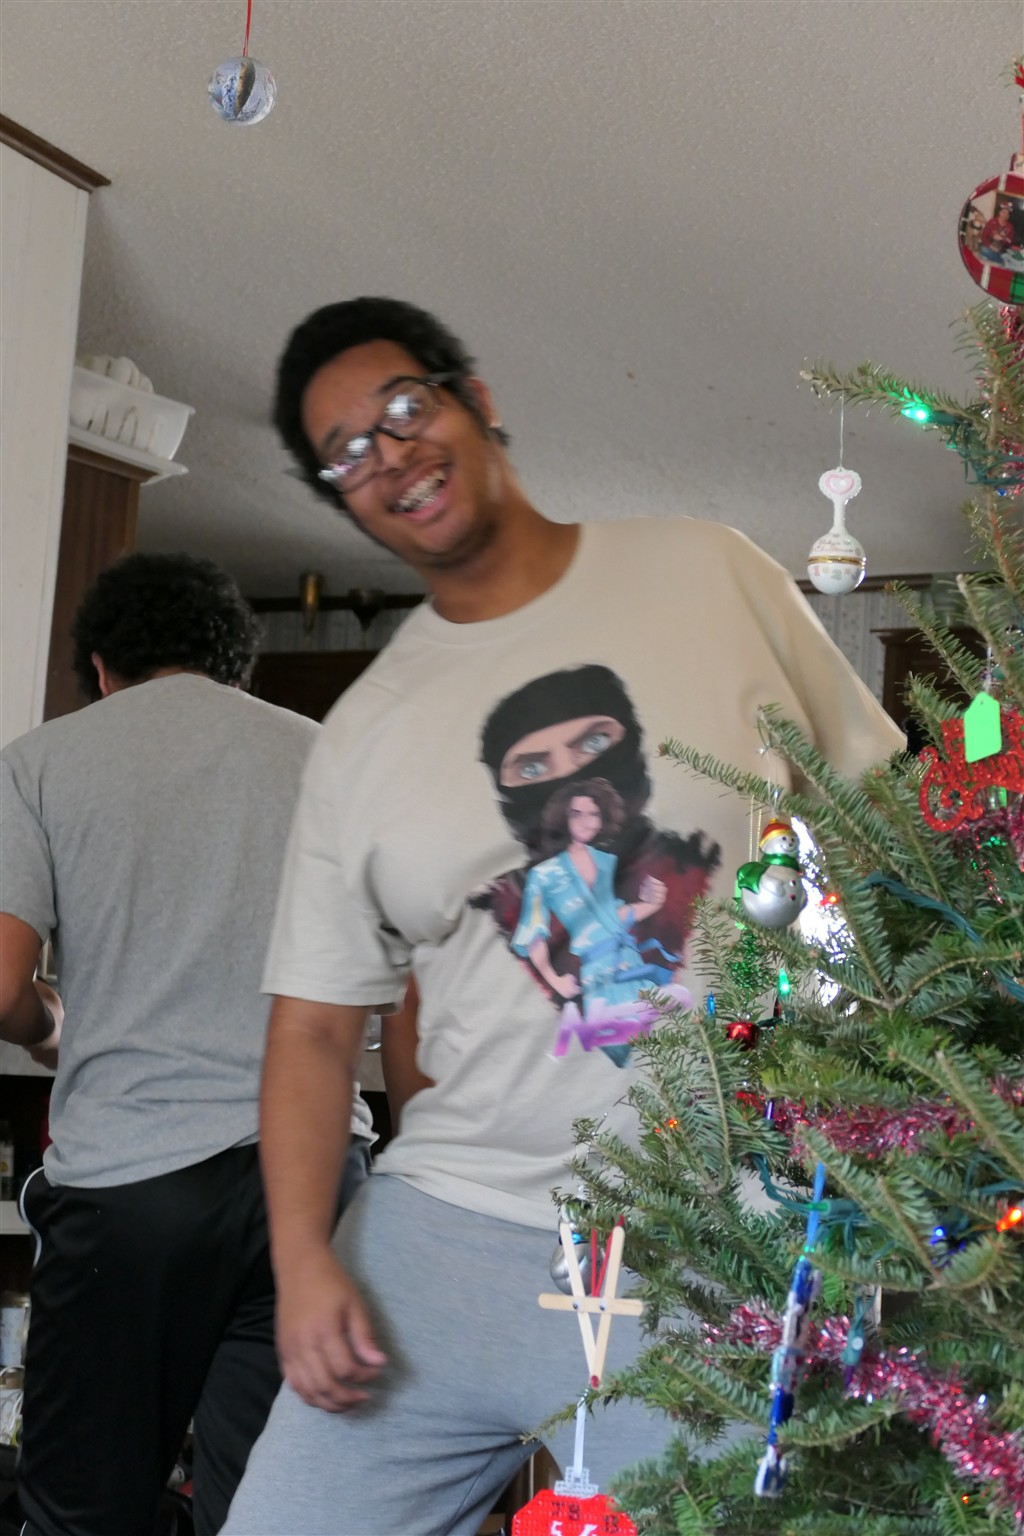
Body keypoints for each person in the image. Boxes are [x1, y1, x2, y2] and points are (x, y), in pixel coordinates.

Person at [221, 296, 904, 1536]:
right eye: (346, 452)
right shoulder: (365, 733)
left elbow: (884, 834)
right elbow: (312, 1030)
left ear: (474, 398)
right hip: (437, 1245)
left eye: (404, 408)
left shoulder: (707, 574)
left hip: (710, 1240)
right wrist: (304, 1259)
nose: (388, 454)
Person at [0, 553, 374, 1536]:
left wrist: (50, 1027)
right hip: (315, 1179)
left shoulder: (41, 761)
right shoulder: (325, 756)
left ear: (101, 667)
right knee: (276, 1510)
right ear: (234, 663)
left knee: (84, 1513)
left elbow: (0, 985)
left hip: (134, 1185)